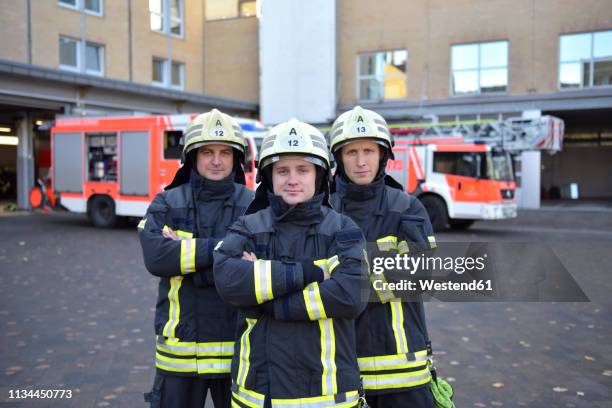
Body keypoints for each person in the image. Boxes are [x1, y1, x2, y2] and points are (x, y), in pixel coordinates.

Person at [213, 118, 368, 408]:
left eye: (303, 170)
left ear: (319, 176)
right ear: (269, 176)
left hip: (327, 395)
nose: (292, 179)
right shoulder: (247, 225)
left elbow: (350, 295)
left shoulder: (343, 228)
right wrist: (310, 273)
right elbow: (227, 279)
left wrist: (269, 297)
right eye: (282, 170)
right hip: (257, 394)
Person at [138, 109, 255, 408]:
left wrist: (187, 256)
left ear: (235, 158)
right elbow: (157, 259)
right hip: (180, 352)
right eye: (207, 152)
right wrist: (226, 252)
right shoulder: (167, 201)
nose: (216, 161)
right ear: (192, 157)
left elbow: (259, 267)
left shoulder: (254, 204)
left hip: (238, 347)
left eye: (225, 152)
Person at [329, 106, 437, 408]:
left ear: (383, 155)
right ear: (338, 157)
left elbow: (421, 276)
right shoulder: (324, 210)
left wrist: (340, 281)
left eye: (368, 150)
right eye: (351, 152)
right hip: (339, 370)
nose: (361, 161)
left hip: (403, 371)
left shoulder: (408, 208)